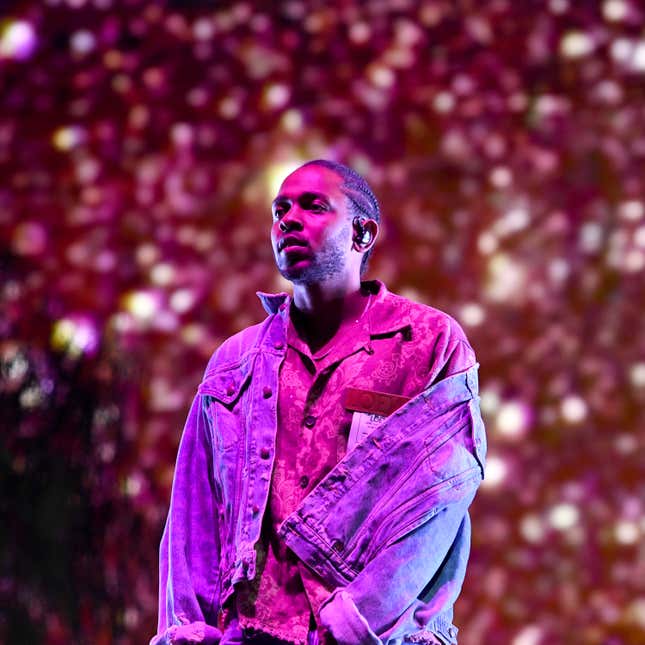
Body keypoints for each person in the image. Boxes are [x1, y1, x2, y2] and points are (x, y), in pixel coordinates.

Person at [151, 160, 487, 645]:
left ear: (362, 233)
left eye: (313, 206)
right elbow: (193, 516)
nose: (288, 219)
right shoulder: (235, 362)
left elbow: (439, 498)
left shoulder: (429, 343)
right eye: (279, 209)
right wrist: (185, 632)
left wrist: (352, 623)